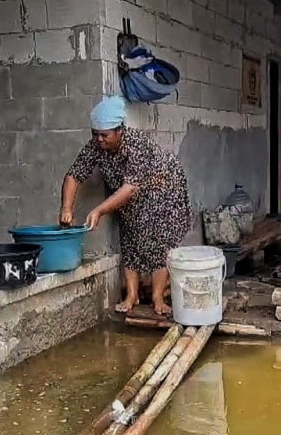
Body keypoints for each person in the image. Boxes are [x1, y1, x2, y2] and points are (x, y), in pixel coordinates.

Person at [59, 96, 192, 315]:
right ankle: (132, 295)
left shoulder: (136, 144)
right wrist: (66, 207)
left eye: (105, 135)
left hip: (164, 186)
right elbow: (74, 175)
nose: (99, 140)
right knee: (130, 235)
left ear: (120, 131)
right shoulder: (96, 146)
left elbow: (130, 188)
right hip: (131, 191)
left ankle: (158, 297)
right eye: (96, 135)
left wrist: (99, 210)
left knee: (157, 238)